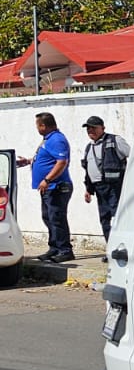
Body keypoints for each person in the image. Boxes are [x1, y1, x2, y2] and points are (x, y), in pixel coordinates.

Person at [16, 112, 74, 262]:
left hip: (57, 186)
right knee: (48, 217)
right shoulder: (48, 139)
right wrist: (30, 161)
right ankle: (54, 248)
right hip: (48, 187)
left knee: (57, 218)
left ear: (43, 125)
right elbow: (48, 159)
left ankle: (65, 250)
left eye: (37, 125)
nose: (37, 128)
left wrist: (47, 180)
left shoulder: (56, 139)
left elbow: (62, 162)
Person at [80, 115, 131, 244]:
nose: (90, 131)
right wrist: (88, 190)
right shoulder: (88, 147)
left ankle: (123, 247)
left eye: (93, 128)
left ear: (103, 128)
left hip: (115, 187)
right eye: (88, 129)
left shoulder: (115, 140)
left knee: (117, 218)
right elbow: (88, 171)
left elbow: (133, 155)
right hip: (99, 189)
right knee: (105, 219)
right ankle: (111, 248)